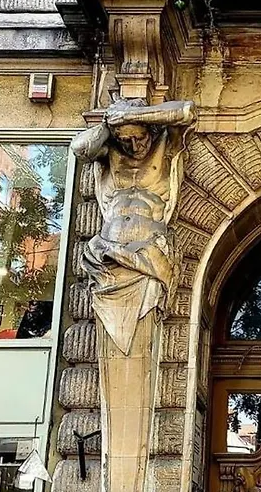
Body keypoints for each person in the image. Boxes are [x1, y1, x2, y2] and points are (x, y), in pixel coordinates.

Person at [70, 98, 196, 354]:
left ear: (149, 129)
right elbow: (80, 149)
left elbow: (186, 111)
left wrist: (132, 116)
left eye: (139, 137)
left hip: (148, 252)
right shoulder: (111, 152)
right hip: (109, 252)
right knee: (115, 342)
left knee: (142, 336)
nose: (135, 146)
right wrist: (109, 122)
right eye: (126, 140)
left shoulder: (165, 145)